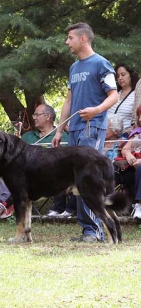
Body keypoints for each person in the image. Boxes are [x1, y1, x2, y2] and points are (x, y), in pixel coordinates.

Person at [51, 22, 118, 243]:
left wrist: (97, 110)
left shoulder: (101, 63)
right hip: (75, 129)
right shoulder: (73, 68)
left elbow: (113, 95)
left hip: (93, 127)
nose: (66, 42)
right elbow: (68, 101)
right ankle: (88, 229)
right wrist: (59, 130)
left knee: (87, 178)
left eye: (70, 37)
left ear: (82, 39)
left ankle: (94, 231)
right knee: (77, 179)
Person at [22, 104, 74, 217]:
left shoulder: (63, 137)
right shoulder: (27, 137)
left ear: (47, 117)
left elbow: (68, 159)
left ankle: (60, 209)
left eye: (37, 114)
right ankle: (5, 206)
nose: (34, 117)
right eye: (34, 115)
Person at [107, 63, 137, 130]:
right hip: (107, 135)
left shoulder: (135, 95)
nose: (120, 78)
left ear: (130, 75)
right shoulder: (114, 94)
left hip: (125, 135)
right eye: (118, 76)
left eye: (123, 75)